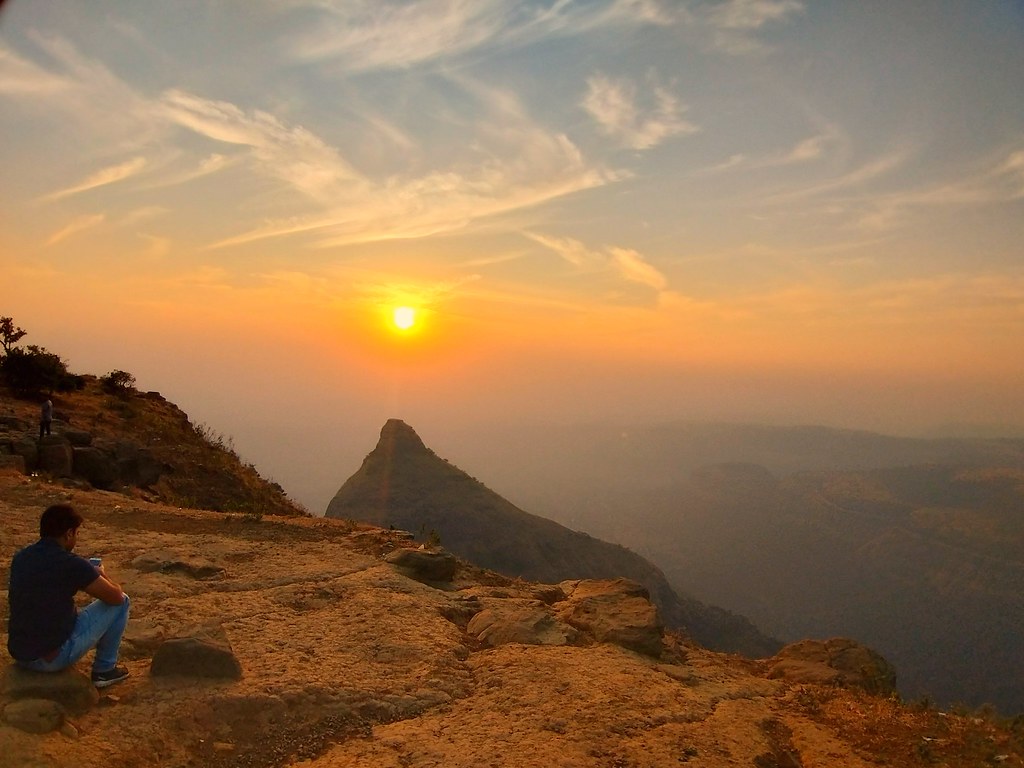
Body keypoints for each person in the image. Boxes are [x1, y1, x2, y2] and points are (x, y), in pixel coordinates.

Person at [7, 504, 131, 688]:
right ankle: (104, 670)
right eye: (76, 534)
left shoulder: (21, 557)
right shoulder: (71, 564)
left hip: (21, 653)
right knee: (123, 602)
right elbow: (116, 597)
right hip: (51, 658)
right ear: (68, 534)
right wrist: (100, 573)